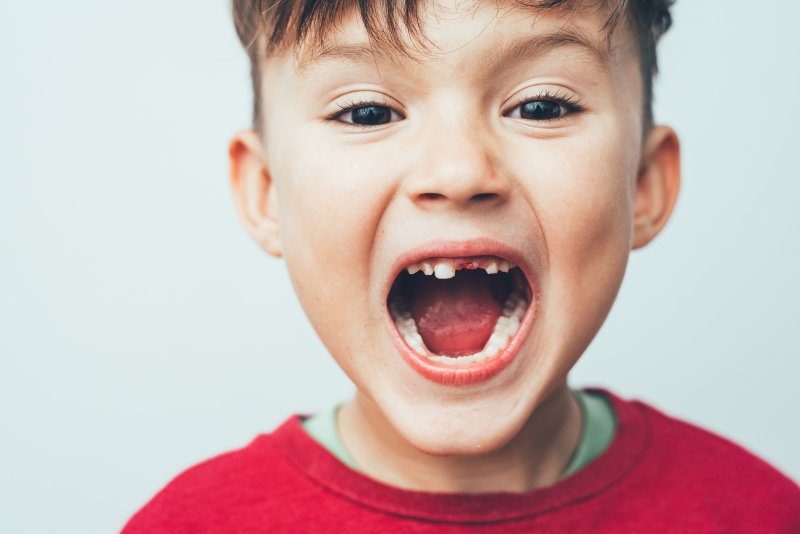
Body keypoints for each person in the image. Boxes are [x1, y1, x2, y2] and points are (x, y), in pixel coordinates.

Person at [123, 0, 800, 531]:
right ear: (267, 191)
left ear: (644, 182)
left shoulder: (760, 515)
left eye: (541, 106)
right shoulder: (186, 527)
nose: (457, 171)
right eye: (366, 112)